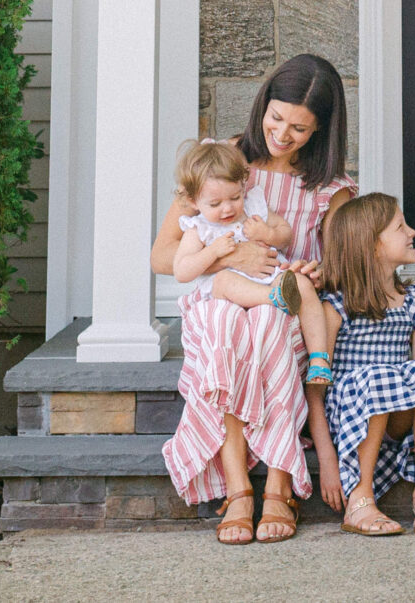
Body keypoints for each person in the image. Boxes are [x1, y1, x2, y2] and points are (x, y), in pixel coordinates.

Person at [155, 54, 353, 546]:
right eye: (276, 118)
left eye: (300, 129)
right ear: (262, 104)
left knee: (268, 327)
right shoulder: (218, 162)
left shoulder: (332, 188)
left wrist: (317, 270)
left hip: (285, 302)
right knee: (226, 326)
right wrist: (230, 257)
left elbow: (342, 268)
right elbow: (163, 258)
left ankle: (280, 484)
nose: (283, 135)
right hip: (220, 297)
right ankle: (240, 486)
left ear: (322, 130)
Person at [314, 192, 415, 536]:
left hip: (397, 416)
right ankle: (359, 500)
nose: (413, 232)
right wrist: (327, 460)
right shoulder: (336, 306)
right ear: (373, 246)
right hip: (350, 418)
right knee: (377, 377)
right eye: (399, 227)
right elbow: (315, 393)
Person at [168, 137, 332, 386]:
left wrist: (267, 234)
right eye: (215, 203)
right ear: (193, 201)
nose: (227, 209)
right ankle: (275, 298)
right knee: (224, 280)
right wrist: (213, 252)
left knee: (303, 285)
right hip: (231, 288)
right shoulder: (198, 228)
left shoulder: (254, 206)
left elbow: (284, 233)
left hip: (270, 274)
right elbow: (181, 271)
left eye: (234, 198)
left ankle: (319, 360)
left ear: (243, 186)